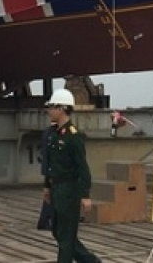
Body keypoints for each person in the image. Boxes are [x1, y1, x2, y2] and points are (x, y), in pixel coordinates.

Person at [43, 89, 101, 263]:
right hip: (56, 188)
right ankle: (90, 261)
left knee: (66, 237)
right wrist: (47, 186)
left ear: (61, 109)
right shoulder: (53, 134)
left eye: (52, 107)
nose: (49, 111)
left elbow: (82, 168)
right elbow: (51, 164)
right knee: (57, 231)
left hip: (69, 190)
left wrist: (85, 195)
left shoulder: (74, 136)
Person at [37, 120, 56, 230]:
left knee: (48, 195)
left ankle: (44, 221)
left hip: (49, 168)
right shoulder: (52, 133)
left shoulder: (46, 132)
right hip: (55, 169)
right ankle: (48, 221)